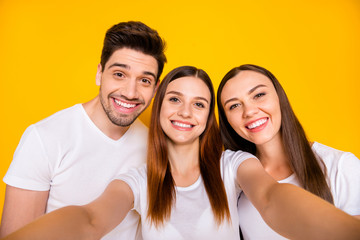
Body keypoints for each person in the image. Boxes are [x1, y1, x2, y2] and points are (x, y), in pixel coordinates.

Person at [2, 66, 360, 240]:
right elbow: (90, 219)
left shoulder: (233, 165)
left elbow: (270, 198)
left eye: (199, 104)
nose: (186, 112)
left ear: (208, 119)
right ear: (157, 109)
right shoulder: (138, 181)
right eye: (174, 99)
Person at [0, 21, 167, 240]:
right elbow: (17, 235)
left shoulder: (155, 147)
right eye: (119, 74)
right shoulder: (44, 138)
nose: (130, 92)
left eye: (144, 80)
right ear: (100, 73)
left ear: (155, 89)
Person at [217, 64, 360, 240]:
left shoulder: (341, 166)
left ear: (279, 97)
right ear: (226, 120)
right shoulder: (230, 174)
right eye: (234, 106)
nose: (249, 111)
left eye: (259, 95)